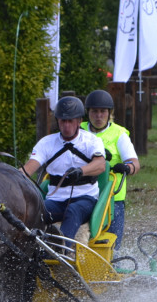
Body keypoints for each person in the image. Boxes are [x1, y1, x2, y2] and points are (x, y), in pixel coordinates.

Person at [22, 96, 106, 241]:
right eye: (63, 121)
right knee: (37, 213)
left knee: (73, 210)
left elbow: (100, 165)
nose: (66, 126)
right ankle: (34, 251)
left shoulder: (92, 141)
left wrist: (81, 171)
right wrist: (9, 178)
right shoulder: (46, 143)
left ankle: (63, 251)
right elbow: (28, 169)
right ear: (57, 121)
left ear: (79, 121)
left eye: (70, 121)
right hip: (56, 199)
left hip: (85, 198)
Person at [82, 89, 140, 251]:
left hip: (112, 198)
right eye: (94, 112)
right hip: (82, 193)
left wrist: (127, 168)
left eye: (103, 112)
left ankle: (113, 264)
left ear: (109, 114)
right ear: (88, 113)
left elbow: (135, 163)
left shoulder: (119, 134)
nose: (98, 116)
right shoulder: (79, 130)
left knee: (110, 245)